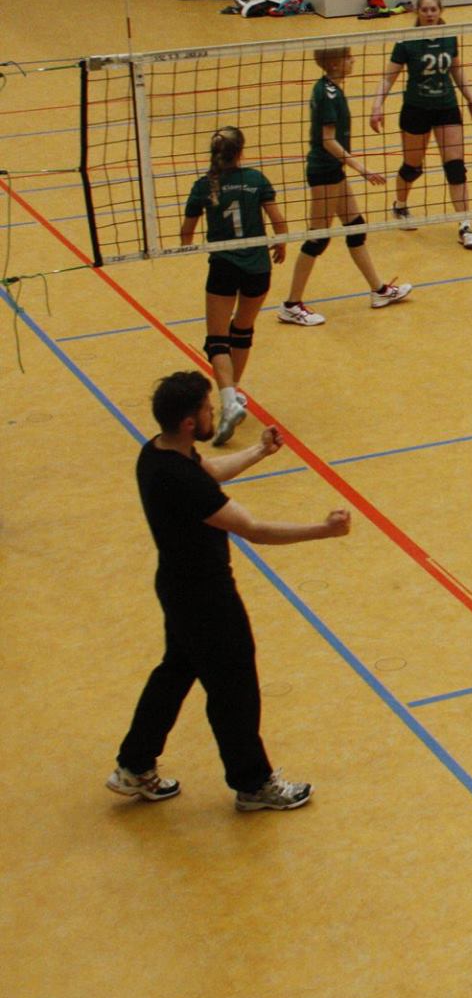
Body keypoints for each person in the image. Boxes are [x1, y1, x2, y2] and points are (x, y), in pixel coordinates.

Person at [107, 371, 351, 813]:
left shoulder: (157, 452)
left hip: (178, 587)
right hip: (206, 597)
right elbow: (254, 529)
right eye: (207, 409)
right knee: (233, 688)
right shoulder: (181, 482)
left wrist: (259, 451)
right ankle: (253, 783)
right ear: (189, 422)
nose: (212, 414)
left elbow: (209, 471)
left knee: (175, 671)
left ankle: (134, 765)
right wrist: (323, 530)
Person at [276, 48, 412, 329]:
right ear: (336, 64)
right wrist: (361, 168)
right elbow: (327, 140)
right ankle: (291, 305)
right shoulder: (327, 94)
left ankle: (378, 290)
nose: (353, 61)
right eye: (348, 58)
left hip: (333, 169)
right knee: (318, 238)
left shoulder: (330, 88)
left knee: (355, 227)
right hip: (324, 171)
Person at [179, 128, 287, 445]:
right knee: (242, 330)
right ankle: (233, 394)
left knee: (217, 340)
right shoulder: (256, 179)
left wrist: (189, 247)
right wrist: (281, 244)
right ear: (240, 152)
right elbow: (279, 223)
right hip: (259, 268)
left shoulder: (204, 186)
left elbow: (186, 234)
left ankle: (228, 401)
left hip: (224, 266)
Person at [369, 0, 472, 250]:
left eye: (433, 9)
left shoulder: (449, 36)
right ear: (418, 13)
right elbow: (388, 78)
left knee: (455, 167)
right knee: (412, 167)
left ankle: (465, 225)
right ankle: (400, 207)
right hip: (416, 109)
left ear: (440, 10)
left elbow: (456, 70)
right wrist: (377, 106)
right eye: (425, 10)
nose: (430, 14)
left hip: (446, 108)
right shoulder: (407, 41)